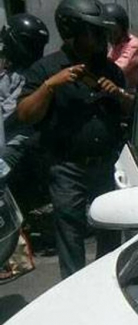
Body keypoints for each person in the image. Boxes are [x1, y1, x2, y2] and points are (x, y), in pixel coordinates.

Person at [16, 0, 132, 279]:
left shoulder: (111, 70)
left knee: (111, 229)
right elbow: (25, 115)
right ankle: (73, 288)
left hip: (107, 167)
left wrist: (118, 94)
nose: (102, 40)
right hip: (67, 169)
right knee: (70, 233)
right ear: (72, 31)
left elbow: (132, 110)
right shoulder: (46, 69)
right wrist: (51, 86)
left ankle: (106, 284)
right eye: (94, 33)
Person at [0, 13, 50, 282]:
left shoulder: (27, 76)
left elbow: (10, 115)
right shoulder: (12, 71)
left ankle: (15, 258)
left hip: (17, 142)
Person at [103, 3, 138, 89]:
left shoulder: (133, 45)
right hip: (121, 88)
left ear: (122, 28)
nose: (110, 35)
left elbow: (118, 70)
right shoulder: (117, 45)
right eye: (107, 31)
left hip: (134, 95)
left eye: (113, 31)